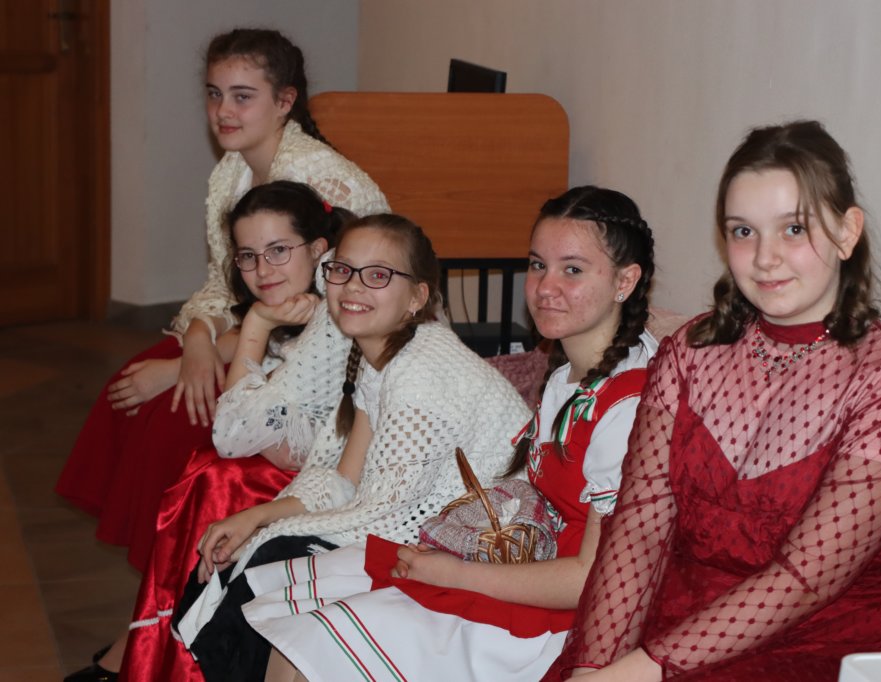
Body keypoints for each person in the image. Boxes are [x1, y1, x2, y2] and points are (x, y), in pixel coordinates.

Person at [544, 121, 881, 681]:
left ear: (847, 232)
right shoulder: (690, 352)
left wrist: (639, 671)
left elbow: (803, 579)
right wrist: (594, 664)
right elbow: (638, 528)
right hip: (673, 622)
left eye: (794, 229)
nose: (765, 257)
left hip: (816, 646)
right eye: (743, 231)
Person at [233, 185, 658, 682]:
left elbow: (593, 579)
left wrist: (457, 573)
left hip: (560, 621)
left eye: (573, 270)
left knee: (313, 645)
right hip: (522, 562)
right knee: (292, 633)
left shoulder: (629, 407)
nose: (545, 287)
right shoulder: (568, 375)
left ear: (625, 281)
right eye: (538, 264)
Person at [55, 27, 388, 572]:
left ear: (285, 101)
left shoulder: (324, 180)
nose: (223, 111)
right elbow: (223, 281)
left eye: (242, 96)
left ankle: (168, 576)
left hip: (328, 361)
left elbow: (330, 311)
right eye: (214, 94)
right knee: (133, 385)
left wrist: (192, 364)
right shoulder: (231, 172)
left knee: (170, 412)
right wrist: (197, 338)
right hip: (267, 332)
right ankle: (156, 572)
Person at [169, 213, 531, 681]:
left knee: (268, 568)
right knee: (255, 559)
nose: (353, 286)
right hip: (427, 532)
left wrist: (271, 535)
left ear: (417, 297)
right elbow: (346, 479)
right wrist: (257, 517)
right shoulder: (380, 357)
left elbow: (390, 518)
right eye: (342, 270)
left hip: (487, 548)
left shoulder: (421, 373)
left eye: (377, 275)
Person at [62, 181, 356, 682]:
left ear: (318, 250)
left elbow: (255, 439)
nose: (263, 270)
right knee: (198, 461)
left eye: (279, 251)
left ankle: (175, 656)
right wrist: (223, 333)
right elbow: (250, 420)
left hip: (341, 485)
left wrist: (257, 324)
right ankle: (154, 646)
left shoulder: (332, 318)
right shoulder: (294, 306)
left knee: (216, 477)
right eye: (248, 257)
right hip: (303, 467)